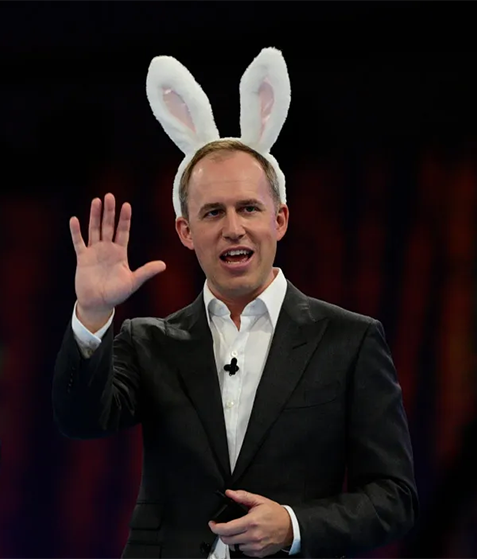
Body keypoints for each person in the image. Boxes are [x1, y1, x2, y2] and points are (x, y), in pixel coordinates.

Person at [52, 48, 416, 558]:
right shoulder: (149, 341)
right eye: (212, 213)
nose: (233, 228)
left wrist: (293, 526)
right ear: (185, 231)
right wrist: (92, 315)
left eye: (249, 208)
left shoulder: (350, 340)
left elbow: (393, 498)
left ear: (279, 219)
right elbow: (80, 421)